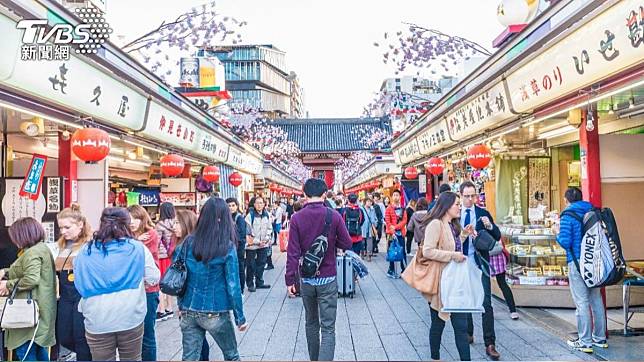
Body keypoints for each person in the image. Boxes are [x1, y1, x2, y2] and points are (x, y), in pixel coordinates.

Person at [74, 207, 160, 361]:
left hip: (97, 317)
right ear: (126, 224)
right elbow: (154, 278)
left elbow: (79, 284)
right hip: (130, 315)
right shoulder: (137, 248)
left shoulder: (85, 251)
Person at [285, 178, 353, 361]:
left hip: (306, 280)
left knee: (311, 323)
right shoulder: (334, 216)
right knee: (328, 328)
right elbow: (347, 243)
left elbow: (292, 252)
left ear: (304, 195)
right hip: (328, 278)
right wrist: (330, 244)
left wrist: (290, 280)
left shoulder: (297, 218)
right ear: (324, 194)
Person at [175, 198, 248, 361]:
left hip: (189, 309)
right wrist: (239, 317)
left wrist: (180, 304)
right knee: (231, 355)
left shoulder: (188, 242)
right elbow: (233, 285)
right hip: (215, 310)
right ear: (223, 218)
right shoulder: (226, 246)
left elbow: (179, 274)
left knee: (189, 357)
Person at [554, 187, 607, 353]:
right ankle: (600, 339)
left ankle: (585, 342)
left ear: (566, 200)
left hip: (576, 263)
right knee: (596, 300)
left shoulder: (567, 215)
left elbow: (565, 242)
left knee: (581, 302)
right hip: (594, 263)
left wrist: (556, 232)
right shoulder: (592, 211)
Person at [422, 192, 473, 361]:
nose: (460, 206)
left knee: (461, 326)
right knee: (438, 324)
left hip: (456, 282)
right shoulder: (435, 224)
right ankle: (435, 357)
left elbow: (452, 244)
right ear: (446, 206)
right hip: (441, 283)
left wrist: (463, 235)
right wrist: (452, 255)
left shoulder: (452, 225)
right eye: (457, 204)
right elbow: (427, 251)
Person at [0, 218, 56, 361]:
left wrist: (7, 284)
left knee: (25, 352)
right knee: (38, 350)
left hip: (27, 312)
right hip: (40, 310)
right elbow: (28, 271)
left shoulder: (32, 253)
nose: (13, 241)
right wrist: (6, 272)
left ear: (23, 235)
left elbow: (31, 279)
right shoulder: (41, 248)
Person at [459, 180, 501, 360]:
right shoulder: (455, 214)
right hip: (461, 262)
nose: (470, 199)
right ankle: (469, 332)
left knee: (486, 303)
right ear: (461, 196)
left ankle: (490, 343)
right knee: (466, 299)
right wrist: (463, 235)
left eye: (472, 196)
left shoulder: (483, 213)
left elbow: (497, 236)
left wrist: (490, 226)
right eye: (466, 196)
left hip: (480, 261)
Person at [55, 204, 93, 361]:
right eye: (61, 228)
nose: (63, 232)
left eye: (67, 227)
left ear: (80, 225)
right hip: (64, 297)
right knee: (63, 336)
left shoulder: (90, 245)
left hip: (82, 296)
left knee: (81, 338)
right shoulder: (61, 245)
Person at [128, 204, 161, 361]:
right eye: (129, 219)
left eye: (136, 219)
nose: (132, 222)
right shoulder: (128, 238)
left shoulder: (151, 234)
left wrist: (134, 241)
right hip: (131, 290)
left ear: (143, 220)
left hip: (148, 289)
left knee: (148, 333)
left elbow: (135, 254)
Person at [155, 202, 177, 321]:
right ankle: (170, 307)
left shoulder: (159, 225)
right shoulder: (176, 223)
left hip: (162, 256)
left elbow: (156, 243)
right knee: (169, 282)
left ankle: (161, 310)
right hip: (172, 256)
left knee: (160, 284)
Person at [245, 196, 273, 292]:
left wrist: (266, 239)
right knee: (251, 265)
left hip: (263, 244)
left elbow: (270, 229)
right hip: (252, 245)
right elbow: (248, 232)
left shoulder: (267, 215)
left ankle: (259, 282)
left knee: (261, 263)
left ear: (264, 204)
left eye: (261, 203)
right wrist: (257, 241)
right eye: (257, 203)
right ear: (254, 204)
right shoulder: (249, 216)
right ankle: (250, 284)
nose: (259, 205)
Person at [489, 245, 519, 320]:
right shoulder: (496, 233)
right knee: (502, 284)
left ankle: (489, 311)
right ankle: (513, 310)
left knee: (486, 286)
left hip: (487, 257)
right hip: (498, 258)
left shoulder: (479, 232)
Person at [385, 189, 408, 278]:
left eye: (397, 195)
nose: (396, 197)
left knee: (403, 251)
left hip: (400, 234)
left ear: (400, 197)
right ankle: (391, 270)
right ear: (392, 197)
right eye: (394, 195)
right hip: (392, 234)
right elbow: (387, 221)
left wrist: (395, 227)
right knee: (392, 251)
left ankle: (404, 269)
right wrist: (392, 231)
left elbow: (405, 221)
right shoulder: (389, 209)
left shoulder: (403, 208)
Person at [227, 197, 248, 292]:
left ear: (237, 206)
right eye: (229, 206)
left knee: (239, 267)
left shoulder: (239, 218)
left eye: (233, 205)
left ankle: (241, 288)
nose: (231, 208)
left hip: (238, 248)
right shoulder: (224, 218)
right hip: (228, 247)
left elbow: (242, 234)